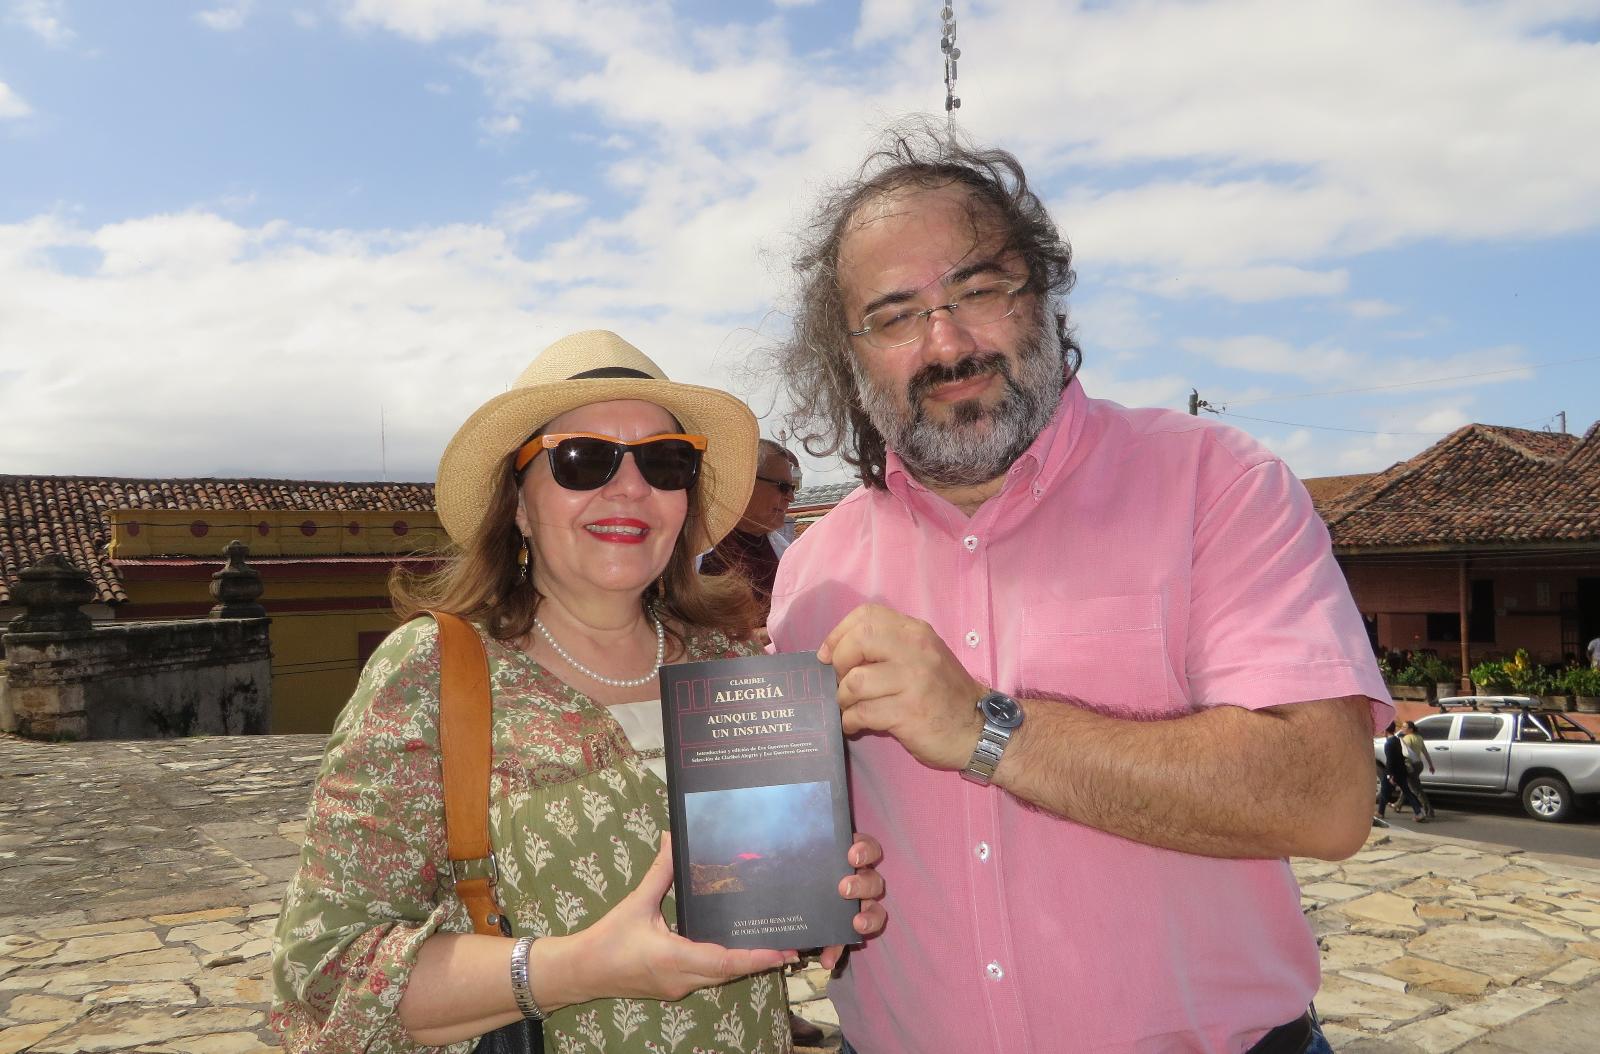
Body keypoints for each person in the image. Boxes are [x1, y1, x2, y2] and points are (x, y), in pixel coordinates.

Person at [766, 127, 1391, 1053]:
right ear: (849, 358)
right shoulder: (811, 572)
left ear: (1046, 297)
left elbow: (1327, 796)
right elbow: (806, 845)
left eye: (980, 290)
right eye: (895, 316)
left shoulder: (1216, 483)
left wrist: (987, 728)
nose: (946, 342)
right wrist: (796, 885)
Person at [271, 330, 885, 1053]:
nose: (630, 487)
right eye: (582, 458)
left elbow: (754, 891)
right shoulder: (432, 674)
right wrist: (574, 968)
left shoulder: (729, 661)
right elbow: (324, 973)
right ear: (518, 504)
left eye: (665, 461)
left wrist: (816, 890)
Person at [699, 437, 799, 619]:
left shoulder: (788, 554)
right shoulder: (695, 551)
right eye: (783, 487)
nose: (791, 498)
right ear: (747, 482)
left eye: (792, 488)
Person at [1376, 723, 1426, 826]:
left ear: (1385, 730)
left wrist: (1390, 775)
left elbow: (1390, 761)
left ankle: (1380, 812)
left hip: (1393, 772)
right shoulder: (1397, 740)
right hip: (1401, 770)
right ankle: (1419, 811)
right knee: (1406, 791)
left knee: (1385, 790)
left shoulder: (1389, 744)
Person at [1401, 719, 1436, 819]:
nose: (1402, 729)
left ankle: (1428, 810)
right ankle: (1398, 804)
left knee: (1416, 788)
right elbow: (1425, 752)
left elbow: (1405, 753)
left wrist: (1404, 765)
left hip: (1411, 765)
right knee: (1409, 785)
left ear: (1411, 729)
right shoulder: (1419, 737)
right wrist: (1431, 765)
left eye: (1404, 727)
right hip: (1419, 764)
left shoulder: (1407, 738)